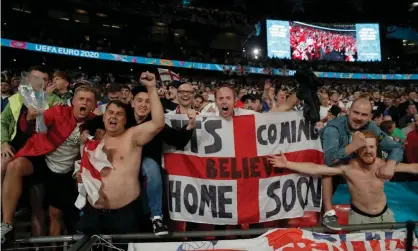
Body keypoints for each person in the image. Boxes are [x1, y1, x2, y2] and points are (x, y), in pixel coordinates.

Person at [80, 85, 197, 235]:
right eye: (140, 100)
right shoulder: (120, 115)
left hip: (140, 172)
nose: (143, 104)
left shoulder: (151, 125)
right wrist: (86, 131)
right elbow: (93, 122)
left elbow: (176, 139)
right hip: (105, 194)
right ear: (132, 102)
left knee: (152, 167)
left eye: (148, 102)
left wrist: (191, 125)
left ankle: (156, 216)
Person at [1, 85, 97, 244]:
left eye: (89, 100)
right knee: (14, 166)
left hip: (64, 174)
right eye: (81, 99)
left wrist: (89, 130)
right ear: (73, 101)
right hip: (42, 161)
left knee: (55, 216)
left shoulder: (95, 122)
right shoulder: (59, 112)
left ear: (93, 105)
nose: (84, 103)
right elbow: (36, 123)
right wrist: (30, 118)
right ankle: (6, 225)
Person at [77, 72, 164, 235]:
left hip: (125, 216)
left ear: (125, 120)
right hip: (92, 215)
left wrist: (151, 87)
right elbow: (83, 171)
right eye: (110, 113)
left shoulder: (132, 136)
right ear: (103, 118)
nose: (113, 117)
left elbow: (158, 123)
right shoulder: (93, 141)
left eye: (119, 114)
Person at [269, 131, 418, 226]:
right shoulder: (349, 168)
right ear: (357, 149)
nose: (368, 151)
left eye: (371, 147)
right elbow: (317, 168)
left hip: (385, 216)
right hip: (359, 219)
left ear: (377, 148)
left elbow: (413, 167)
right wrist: (288, 163)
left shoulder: (384, 166)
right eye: (363, 147)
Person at [320, 97, 404, 230]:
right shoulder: (334, 128)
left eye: (364, 114)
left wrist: (391, 163)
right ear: (348, 111)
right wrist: (353, 146)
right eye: (356, 113)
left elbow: (396, 147)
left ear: (370, 117)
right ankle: (328, 213)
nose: (359, 118)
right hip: (330, 163)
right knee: (327, 171)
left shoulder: (370, 126)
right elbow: (329, 159)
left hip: (354, 163)